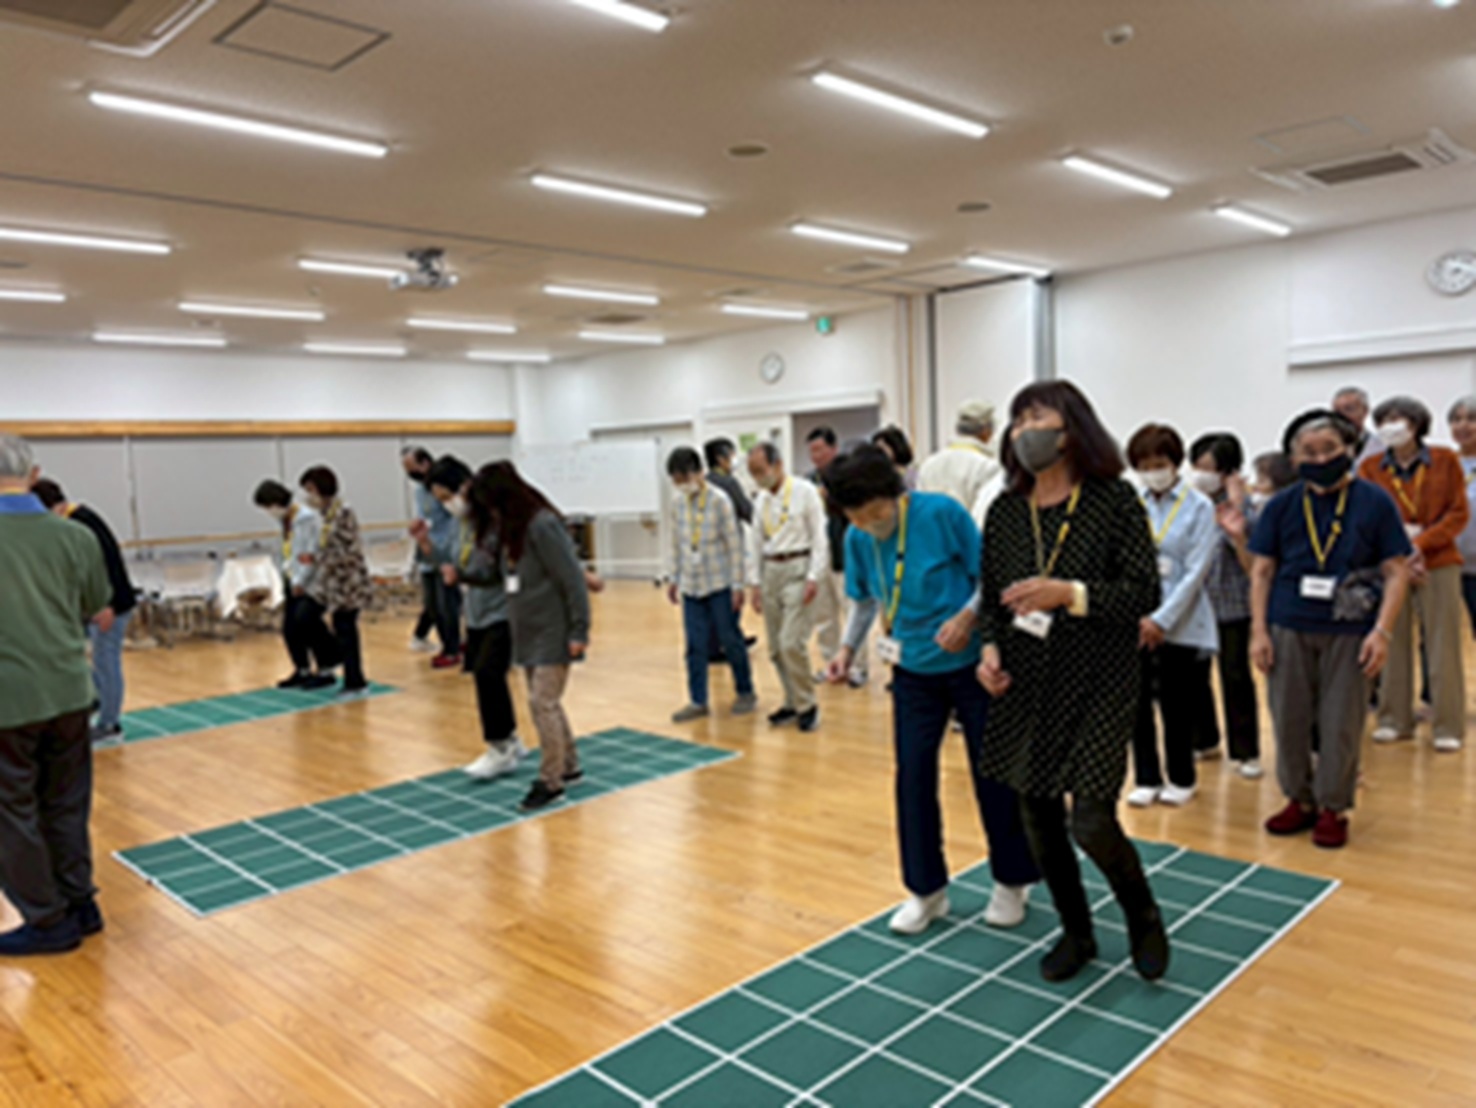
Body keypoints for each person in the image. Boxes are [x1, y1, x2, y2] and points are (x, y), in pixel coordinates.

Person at [975, 381, 1169, 984]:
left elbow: (1144, 592)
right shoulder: (1007, 510)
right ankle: (1076, 931)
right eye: (1016, 421)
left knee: (1091, 819)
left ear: (1070, 430)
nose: (1022, 431)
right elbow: (992, 599)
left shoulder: (1113, 500)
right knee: (1038, 816)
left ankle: (1143, 917)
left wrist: (1070, 594)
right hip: (1027, 681)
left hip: (1101, 680)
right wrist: (988, 652)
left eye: (1035, 417)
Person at [823, 446, 1039, 934]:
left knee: (992, 774)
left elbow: (991, 577)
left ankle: (1012, 880)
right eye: (856, 516)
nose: (869, 523)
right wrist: (846, 650)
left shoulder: (941, 514)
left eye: (875, 512)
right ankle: (926, 891)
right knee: (913, 777)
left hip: (972, 667)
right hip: (911, 672)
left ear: (894, 493)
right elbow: (865, 601)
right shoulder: (858, 538)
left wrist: (968, 617)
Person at [1252, 409, 1411, 848]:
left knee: (1341, 720)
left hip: (1350, 627)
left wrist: (1383, 632)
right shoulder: (1281, 505)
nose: (1321, 459)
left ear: (1349, 450)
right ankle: (1298, 798)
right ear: (1293, 458)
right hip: (1289, 624)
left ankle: (1333, 806)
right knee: (1288, 717)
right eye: (1309, 452)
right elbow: (1262, 571)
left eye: (1330, 449)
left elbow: (1396, 571)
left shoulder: (1375, 501)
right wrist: (1259, 632)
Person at [0, 435, 111, 955]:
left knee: (11, 813)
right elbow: (95, 604)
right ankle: (80, 902)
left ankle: (47, 920)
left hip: (9, 701)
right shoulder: (75, 536)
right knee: (66, 803)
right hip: (69, 691)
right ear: (35, 473)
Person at [467, 462, 591, 811]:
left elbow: (572, 579)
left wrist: (579, 630)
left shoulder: (542, 525)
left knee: (542, 703)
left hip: (554, 630)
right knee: (546, 702)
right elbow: (499, 575)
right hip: (527, 631)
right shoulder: (512, 529)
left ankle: (550, 781)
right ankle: (569, 765)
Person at [1358, 396, 1468, 753]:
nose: (1390, 425)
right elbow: (1367, 515)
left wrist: (1420, 545)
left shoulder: (1445, 460)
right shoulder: (1370, 467)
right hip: (1391, 563)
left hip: (1438, 560)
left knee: (1442, 644)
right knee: (1392, 638)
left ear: (1416, 424)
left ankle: (1448, 725)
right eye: (1384, 420)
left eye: (1398, 418)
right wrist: (1400, 550)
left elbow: (1458, 513)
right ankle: (1394, 719)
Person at [1125, 425, 1220, 809]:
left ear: (1175, 462)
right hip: (1134, 617)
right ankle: (1146, 777)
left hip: (1181, 619)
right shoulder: (1131, 503)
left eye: (1159, 463)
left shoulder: (1199, 506)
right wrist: (1138, 615)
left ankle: (1182, 777)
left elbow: (1196, 572)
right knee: (1136, 705)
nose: (1153, 472)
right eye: (1145, 466)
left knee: (1176, 704)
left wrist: (1161, 620)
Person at [414, 457, 526, 780]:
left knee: (489, 674)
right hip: (475, 612)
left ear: (464, 487)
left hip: (502, 610)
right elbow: (449, 559)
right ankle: (510, 739)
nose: (446, 504)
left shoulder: (492, 521)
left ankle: (500, 747)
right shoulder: (460, 524)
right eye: (440, 500)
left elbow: (496, 570)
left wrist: (460, 575)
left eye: (447, 496)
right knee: (483, 675)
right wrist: (426, 544)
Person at [31, 479, 139, 743]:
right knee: (92, 662)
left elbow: (107, 566)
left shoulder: (82, 524)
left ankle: (110, 725)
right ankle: (95, 705)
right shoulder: (75, 520)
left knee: (106, 662)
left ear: (53, 506)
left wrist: (108, 605)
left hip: (111, 606)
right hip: (98, 606)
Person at [1189, 434, 1263, 779]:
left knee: (1235, 675)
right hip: (1195, 604)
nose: (1200, 475)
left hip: (1233, 603)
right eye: (1197, 466)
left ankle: (1246, 751)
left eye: (1208, 468)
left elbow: (1254, 560)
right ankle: (1203, 739)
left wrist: (1236, 516)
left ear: (1228, 472)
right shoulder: (1190, 503)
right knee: (1194, 676)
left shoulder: (1245, 507)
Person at [665, 448, 757, 722]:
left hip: (720, 583)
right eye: (676, 480)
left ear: (698, 472)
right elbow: (676, 543)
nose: (681, 485)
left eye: (684, 478)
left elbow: (735, 546)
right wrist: (673, 577)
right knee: (695, 645)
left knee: (730, 639)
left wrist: (738, 585)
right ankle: (698, 700)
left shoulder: (720, 501)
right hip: (691, 585)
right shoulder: (677, 503)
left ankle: (745, 691)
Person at [748, 441, 830, 731]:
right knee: (774, 648)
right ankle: (791, 701)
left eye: (761, 470)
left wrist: (814, 576)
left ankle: (808, 704)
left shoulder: (805, 492)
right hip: (771, 570)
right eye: (753, 473)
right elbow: (754, 542)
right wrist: (754, 583)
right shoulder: (761, 500)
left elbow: (820, 537)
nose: (758, 478)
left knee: (790, 642)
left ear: (778, 465)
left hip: (799, 567)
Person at [252, 479, 340, 691]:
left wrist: (301, 580)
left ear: (276, 501)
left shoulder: (306, 518)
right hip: (292, 578)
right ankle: (302, 668)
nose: (268, 512)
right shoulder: (286, 520)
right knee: (290, 628)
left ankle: (327, 667)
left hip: (313, 582)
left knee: (307, 620)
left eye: (268, 506)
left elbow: (310, 552)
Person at [299, 466, 373, 699]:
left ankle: (356, 682)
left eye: (310, 489)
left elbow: (350, 550)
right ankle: (330, 659)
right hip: (329, 582)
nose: (308, 495)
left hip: (347, 582)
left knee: (346, 629)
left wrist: (319, 558)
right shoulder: (323, 514)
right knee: (305, 615)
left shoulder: (343, 512)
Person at [402, 446, 463, 669]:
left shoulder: (448, 490)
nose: (409, 474)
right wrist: (419, 529)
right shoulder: (420, 491)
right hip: (427, 551)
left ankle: (453, 648)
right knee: (433, 605)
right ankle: (447, 643)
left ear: (425, 463)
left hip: (447, 551)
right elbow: (424, 517)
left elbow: (455, 519)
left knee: (448, 604)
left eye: (412, 468)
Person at [805, 427, 856, 685]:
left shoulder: (848, 476)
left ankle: (856, 667)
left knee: (851, 611)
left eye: (820, 449)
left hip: (844, 554)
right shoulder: (808, 481)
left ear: (833, 449)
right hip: (818, 557)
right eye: (811, 451)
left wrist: (831, 497)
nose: (815, 456)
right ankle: (830, 664)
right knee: (823, 616)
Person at [702, 437, 755, 660]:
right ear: (721, 458)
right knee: (732, 597)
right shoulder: (728, 483)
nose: (734, 460)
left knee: (712, 598)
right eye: (732, 455)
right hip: (728, 549)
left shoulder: (704, 482)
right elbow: (746, 511)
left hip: (707, 550)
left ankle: (725, 640)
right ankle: (727, 643)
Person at [918, 400, 1002, 516]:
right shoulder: (987, 467)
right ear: (986, 431)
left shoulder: (928, 464)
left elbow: (920, 509)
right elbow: (984, 513)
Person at [1449, 395, 1476, 635]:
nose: (1463, 426)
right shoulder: (1444, 463)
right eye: (1456, 420)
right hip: (1449, 564)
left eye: (1471, 419)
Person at [1333, 386, 1385, 467]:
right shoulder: (1325, 450)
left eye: (1349, 409)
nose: (1342, 416)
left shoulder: (1382, 446)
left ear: (1365, 411)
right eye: (1337, 412)